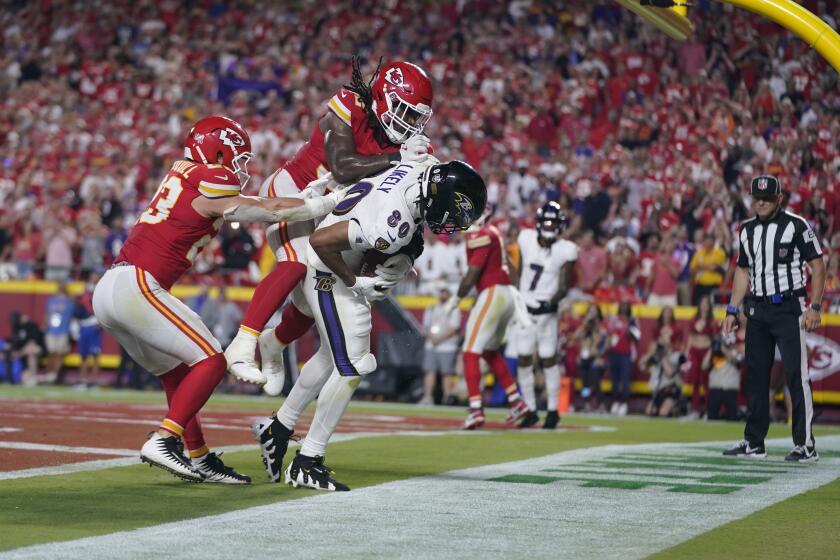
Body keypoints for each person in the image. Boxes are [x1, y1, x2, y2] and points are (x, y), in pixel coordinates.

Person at [92, 115, 343, 483]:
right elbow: (265, 210)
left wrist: (304, 198)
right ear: (219, 149)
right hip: (138, 285)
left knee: (177, 373)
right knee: (212, 360)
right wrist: (326, 203)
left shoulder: (184, 174)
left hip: (113, 288)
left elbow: (246, 205)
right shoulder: (213, 177)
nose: (237, 167)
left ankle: (199, 457)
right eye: (236, 157)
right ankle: (164, 438)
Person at [249, 158, 486, 491]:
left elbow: (404, 174)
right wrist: (356, 281)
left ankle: (278, 429)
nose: (453, 222)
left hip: (339, 257)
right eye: (456, 211)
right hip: (328, 270)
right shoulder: (390, 227)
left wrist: (403, 258)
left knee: (333, 356)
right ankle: (307, 461)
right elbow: (321, 243)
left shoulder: (417, 171)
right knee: (355, 364)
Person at [225, 58, 434, 391]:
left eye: (415, 116)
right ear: (383, 96)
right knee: (294, 264)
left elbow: (410, 201)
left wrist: (407, 252)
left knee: (312, 298)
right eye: (404, 111)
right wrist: (398, 158)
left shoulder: (407, 147)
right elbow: (341, 166)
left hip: (328, 213)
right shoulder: (351, 105)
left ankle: (273, 343)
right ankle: (243, 342)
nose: (409, 123)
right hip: (294, 191)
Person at [722, 175, 825, 462]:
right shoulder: (746, 230)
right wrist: (732, 309)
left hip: (789, 307)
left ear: (779, 198)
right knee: (755, 376)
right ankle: (754, 442)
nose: (762, 202)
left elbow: (817, 265)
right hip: (757, 310)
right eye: (757, 197)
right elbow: (743, 270)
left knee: (796, 375)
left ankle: (805, 445)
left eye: (767, 197)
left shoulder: (796, 225)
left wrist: (814, 306)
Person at [448, 204, 532, 430]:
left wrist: (456, 299)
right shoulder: (495, 234)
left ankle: (475, 409)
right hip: (506, 294)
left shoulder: (482, 234)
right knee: (488, 351)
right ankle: (517, 402)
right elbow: (512, 272)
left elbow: (472, 274)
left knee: (469, 351)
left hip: (493, 291)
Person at [510, 201, 578, 429]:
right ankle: (529, 409)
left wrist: (549, 303)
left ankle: (552, 409)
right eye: (547, 222)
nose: (550, 226)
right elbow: (519, 271)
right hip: (526, 308)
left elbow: (564, 286)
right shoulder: (526, 239)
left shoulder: (566, 249)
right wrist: (517, 295)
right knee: (524, 357)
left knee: (548, 358)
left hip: (547, 311)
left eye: (553, 222)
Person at [419, 287, 462, 405]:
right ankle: (428, 397)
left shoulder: (454, 309)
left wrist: (438, 339)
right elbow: (425, 325)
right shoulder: (431, 308)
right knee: (429, 371)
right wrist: (432, 338)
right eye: (441, 292)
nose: (443, 295)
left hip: (447, 346)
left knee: (446, 373)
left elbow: (453, 328)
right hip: (431, 345)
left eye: (445, 292)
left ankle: (447, 397)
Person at [605, 301, 641, 416]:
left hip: (626, 353)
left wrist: (629, 330)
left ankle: (624, 403)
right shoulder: (614, 319)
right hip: (614, 352)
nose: (624, 308)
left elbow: (637, 337)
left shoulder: (632, 320)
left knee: (625, 380)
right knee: (615, 380)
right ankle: (616, 401)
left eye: (626, 306)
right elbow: (609, 333)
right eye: (622, 305)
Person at [684, 296, 716, 418]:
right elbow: (690, 338)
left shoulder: (712, 321)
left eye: (706, 303)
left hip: (706, 351)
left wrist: (708, 356)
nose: (704, 305)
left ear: (709, 306)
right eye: (702, 303)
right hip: (694, 351)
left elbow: (713, 341)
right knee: (695, 381)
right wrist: (687, 353)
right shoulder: (694, 319)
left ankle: (707, 411)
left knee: (706, 381)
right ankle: (695, 410)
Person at [574, 304, 607, 412]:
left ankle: (600, 403)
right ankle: (586, 403)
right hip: (584, 359)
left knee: (595, 382)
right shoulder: (584, 329)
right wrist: (586, 322)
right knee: (585, 384)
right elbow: (575, 336)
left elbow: (603, 345)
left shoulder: (601, 330)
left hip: (595, 359)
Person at [73, 275, 102, 389]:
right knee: (83, 355)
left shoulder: (100, 290)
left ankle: (95, 381)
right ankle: (82, 380)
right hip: (84, 325)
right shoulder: (84, 291)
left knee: (95, 355)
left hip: (93, 324)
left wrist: (100, 322)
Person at [704, 336, 742, 421]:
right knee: (712, 416)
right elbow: (704, 366)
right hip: (716, 387)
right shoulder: (713, 353)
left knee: (732, 417)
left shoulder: (735, 351)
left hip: (730, 387)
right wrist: (711, 350)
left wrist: (723, 349)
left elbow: (737, 360)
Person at [44, 282, 74, 384]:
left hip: (63, 330)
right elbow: (47, 313)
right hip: (52, 330)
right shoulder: (51, 299)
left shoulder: (69, 300)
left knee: (59, 354)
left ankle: (54, 376)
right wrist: (46, 324)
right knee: (51, 353)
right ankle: (49, 374)